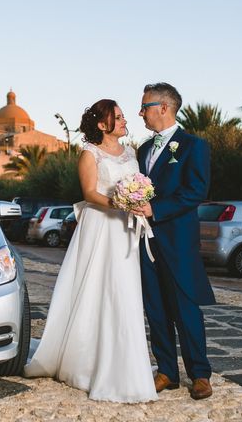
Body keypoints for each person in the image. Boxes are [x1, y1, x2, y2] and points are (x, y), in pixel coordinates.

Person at [24, 99, 157, 404]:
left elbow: (136, 183)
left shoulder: (131, 152)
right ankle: (86, 361)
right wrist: (121, 203)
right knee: (98, 287)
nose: (125, 121)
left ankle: (126, 361)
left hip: (125, 230)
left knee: (124, 291)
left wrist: (137, 200)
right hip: (101, 227)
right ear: (102, 125)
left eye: (124, 117)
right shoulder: (89, 154)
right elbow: (89, 193)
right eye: (119, 118)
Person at [133, 82, 216, 400]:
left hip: (178, 242)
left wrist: (156, 208)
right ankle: (167, 370)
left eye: (145, 107)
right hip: (145, 241)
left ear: (164, 107)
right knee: (155, 308)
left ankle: (200, 374)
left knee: (186, 309)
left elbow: (196, 190)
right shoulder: (142, 150)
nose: (141, 113)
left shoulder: (194, 146)